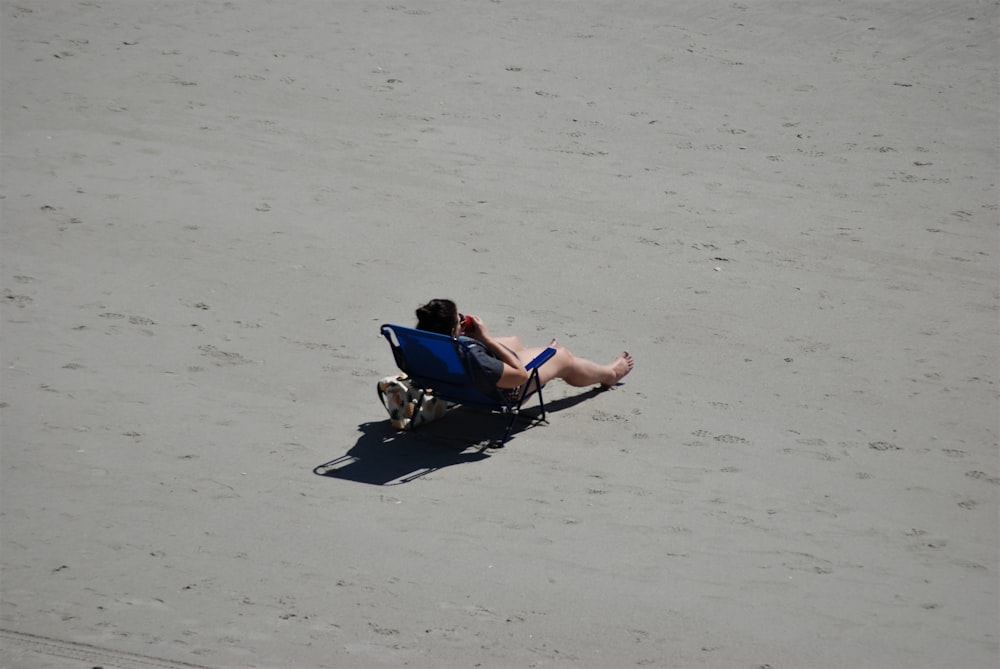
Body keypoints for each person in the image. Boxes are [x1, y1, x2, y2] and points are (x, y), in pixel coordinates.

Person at [414, 298, 633, 401]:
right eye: (459, 319)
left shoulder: (421, 344)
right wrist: (486, 339)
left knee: (514, 342)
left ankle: (543, 357)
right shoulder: (472, 354)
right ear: (454, 330)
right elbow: (518, 377)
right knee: (562, 356)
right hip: (503, 392)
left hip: (453, 384)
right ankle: (610, 374)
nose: (464, 320)